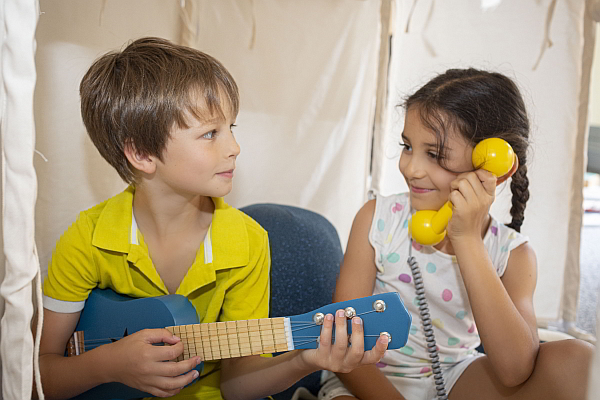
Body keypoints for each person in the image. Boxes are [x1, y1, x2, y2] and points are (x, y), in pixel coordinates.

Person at [38, 37, 388, 400]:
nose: (234, 147)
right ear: (141, 153)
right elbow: (35, 377)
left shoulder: (246, 240)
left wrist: (305, 361)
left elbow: (238, 386)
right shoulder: (87, 238)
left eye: (230, 128)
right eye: (210, 134)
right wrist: (108, 365)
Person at [318, 68, 594, 400]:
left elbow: (515, 371)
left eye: (434, 154)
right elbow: (342, 341)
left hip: (452, 377)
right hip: (367, 381)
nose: (411, 168)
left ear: (493, 168)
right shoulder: (376, 219)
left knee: (579, 361)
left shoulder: (514, 255)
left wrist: (466, 240)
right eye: (407, 146)